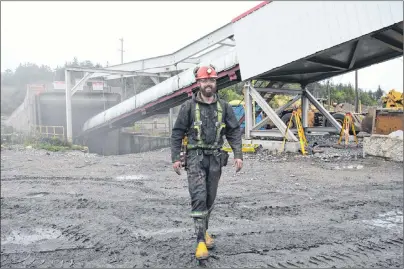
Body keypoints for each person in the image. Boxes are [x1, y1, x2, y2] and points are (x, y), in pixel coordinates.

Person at [171, 65, 243, 260]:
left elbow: (234, 131)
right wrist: (175, 158)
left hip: (216, 159)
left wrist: (238, 154)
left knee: (210, 199)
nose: (208, 83)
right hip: (195, 158)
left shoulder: (225, 107)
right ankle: (200, 241)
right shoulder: (188, 107)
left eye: (211, 80)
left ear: (215, 82)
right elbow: (177, 133)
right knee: (199, 197)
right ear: (198, 83)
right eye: (204, 81)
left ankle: (205, 231)